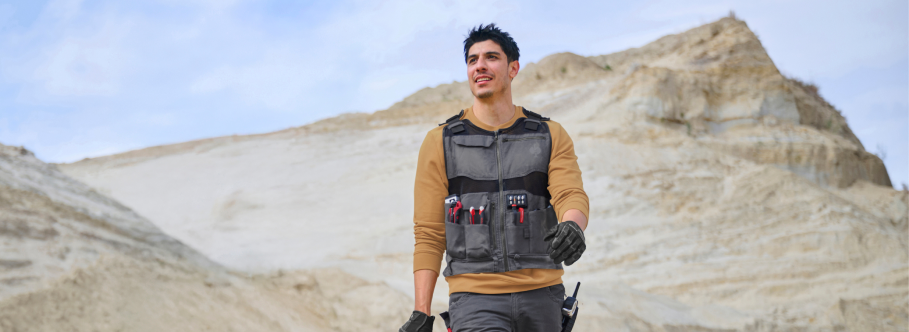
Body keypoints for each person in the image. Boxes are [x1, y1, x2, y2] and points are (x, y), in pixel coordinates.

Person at [399, 24, 589, 332]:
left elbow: (571, 194)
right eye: (472, 60)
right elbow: (430, 233)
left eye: (491, 57)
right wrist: (421, 311)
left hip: (543, 298)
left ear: (513, 68)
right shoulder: (440, 142)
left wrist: (573, 225)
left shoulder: (549, 135)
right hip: (474, 301)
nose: (480, 66)